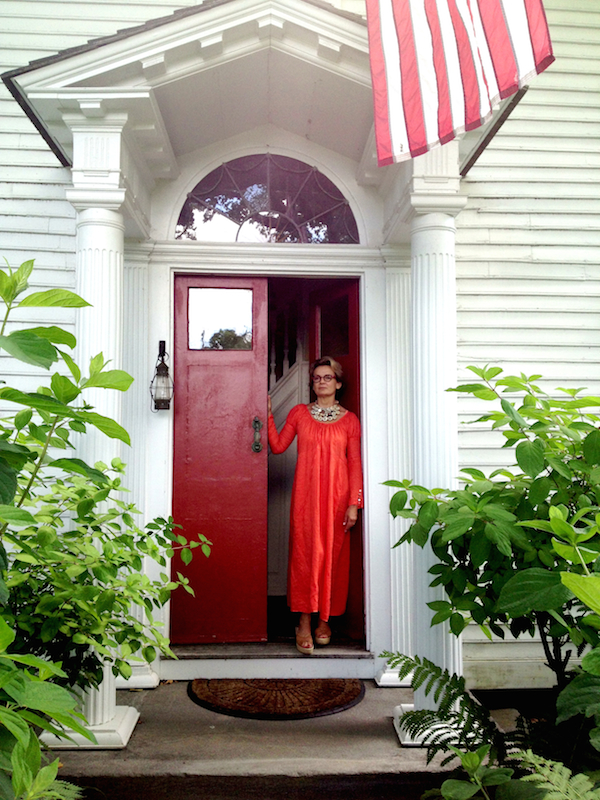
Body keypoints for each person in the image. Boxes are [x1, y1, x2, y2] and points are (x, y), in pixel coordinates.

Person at [267, 356, 363, 655]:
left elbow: (354, 463)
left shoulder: (349, 420)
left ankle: (325, 620)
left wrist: (354, 504)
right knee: (306, 557)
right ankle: (304, 622)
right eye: (317, 377)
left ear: (338, 383)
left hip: (338, 500)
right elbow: (278, 446)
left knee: (332, 558)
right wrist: (267, 416)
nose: (320, 382)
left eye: (327, 377)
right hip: (306, 499)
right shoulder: (299, 413)